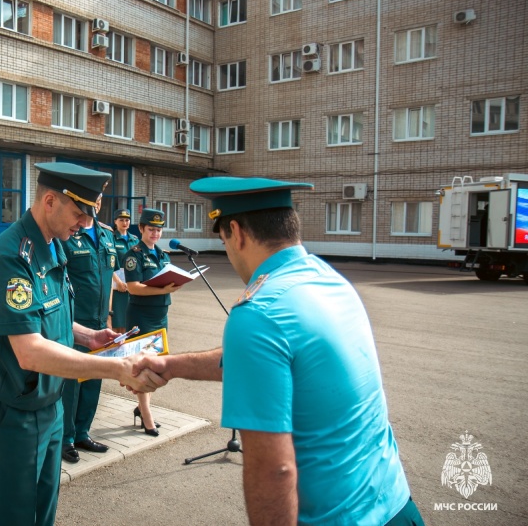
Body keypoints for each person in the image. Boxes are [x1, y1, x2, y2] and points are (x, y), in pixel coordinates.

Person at [133, 177, 424, 526]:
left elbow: (275, 471)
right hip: (396, 505)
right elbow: (274, 362)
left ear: (237, 232)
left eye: (224, 239)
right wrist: (171, 365)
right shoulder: (328, 279)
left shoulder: (258, 314)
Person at [0, 162, 164, 526]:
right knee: (13, 516)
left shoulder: (52, 246)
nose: (84, 223)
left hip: (51, 405)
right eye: (78, 213)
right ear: (48, 201)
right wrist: (116, 367)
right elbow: (29, 350)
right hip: (13, 411)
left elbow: (48, 316)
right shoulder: (11, 257)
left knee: (44, 512)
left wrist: (88, 336)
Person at [59, 196, 117, 463]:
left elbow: (110, 280)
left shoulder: (107, 234)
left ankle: (82, 432)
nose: (94, 202)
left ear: (101, 199)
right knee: (71, 383)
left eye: (98, 197)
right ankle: (65, 438)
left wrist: (108, 316)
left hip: (99, 321)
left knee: (94, 379)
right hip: (76, 322)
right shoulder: (69, 234)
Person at [123, 208, 180, 436]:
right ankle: (147, 416)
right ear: (141, 229)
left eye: (159, 229)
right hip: (142, 316)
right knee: (144, 366)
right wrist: (162, 289)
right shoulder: (133, 254)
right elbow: (133, 287)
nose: (156, 233)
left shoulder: (163, 255)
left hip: (160, 315)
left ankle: (141, 406)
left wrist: (172, 286)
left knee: (156, 365)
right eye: (151, 229)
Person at [111, 207, 140, 333]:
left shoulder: (135, 240)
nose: (125, 222)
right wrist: (117, 282)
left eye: (127, 220)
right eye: (121, 220)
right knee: (118, 320)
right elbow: (108, 263)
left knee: (131, 320)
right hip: (117, 286)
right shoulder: (111, 239)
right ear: (115, 221)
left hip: (132, 285)